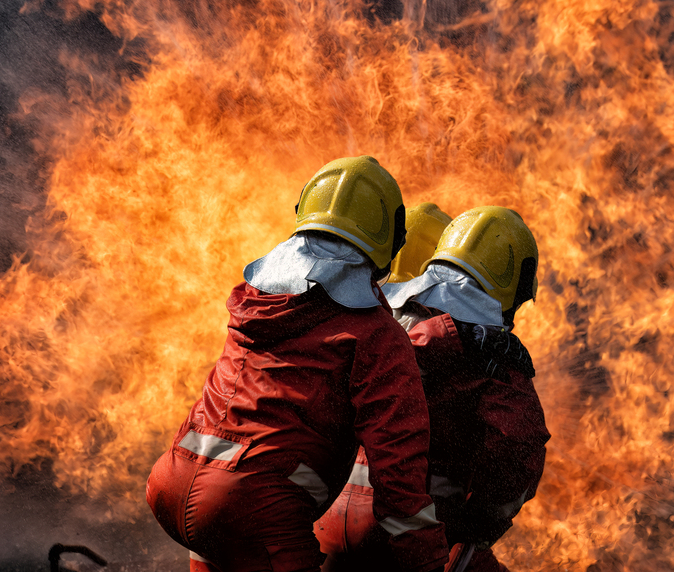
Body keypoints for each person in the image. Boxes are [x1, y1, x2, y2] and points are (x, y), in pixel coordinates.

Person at [146, 156, 450, 572]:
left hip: (173, 479)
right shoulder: (375, 335)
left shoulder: (256, 301)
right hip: (254, 507)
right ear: (388, 239)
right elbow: (398, 470)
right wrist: (428, 560)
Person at [314, 206, 550, 572]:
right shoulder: (494, 359)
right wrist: (477, 526)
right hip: (413, 530)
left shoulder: (376, 312)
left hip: (326, 511)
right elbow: (518, 451)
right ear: (514, 286)